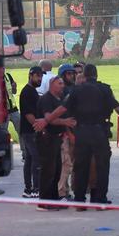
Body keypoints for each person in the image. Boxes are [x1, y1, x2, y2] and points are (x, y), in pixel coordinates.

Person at [65, 64, 119, 209]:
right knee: (102, 166)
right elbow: (117, 108)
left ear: (85, 75)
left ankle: (80, 200)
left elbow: (65, 109)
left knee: (81, 166)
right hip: (99, 131)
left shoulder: (76, 90)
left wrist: (48, 120)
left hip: (81, 131)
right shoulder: (104, 89)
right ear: (96, 74)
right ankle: (100, 199)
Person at [36, 76, 74, 210]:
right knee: (48, 170)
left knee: (57, 169)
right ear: (52, 85)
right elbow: (48, 119)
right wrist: (65, 122)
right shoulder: (46, 99)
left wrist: (67, 131)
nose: (62, 86)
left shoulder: (60, 99)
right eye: (59, 83)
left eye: (63, 83)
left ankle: (53, 199)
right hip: (47, 138)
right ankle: (43, 201)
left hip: (57, 138)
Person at [17, 66, 44, 198]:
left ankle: (28, 189)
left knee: (29, 159)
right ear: (30, 75)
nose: (40, 79)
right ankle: (35, 188)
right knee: (36, 158)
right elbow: (28, 114)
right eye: (38, 76)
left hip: (28, 131)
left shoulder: (32, 91)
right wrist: (39, 127)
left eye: (41, 76)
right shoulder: (27, 92)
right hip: (30, 131)